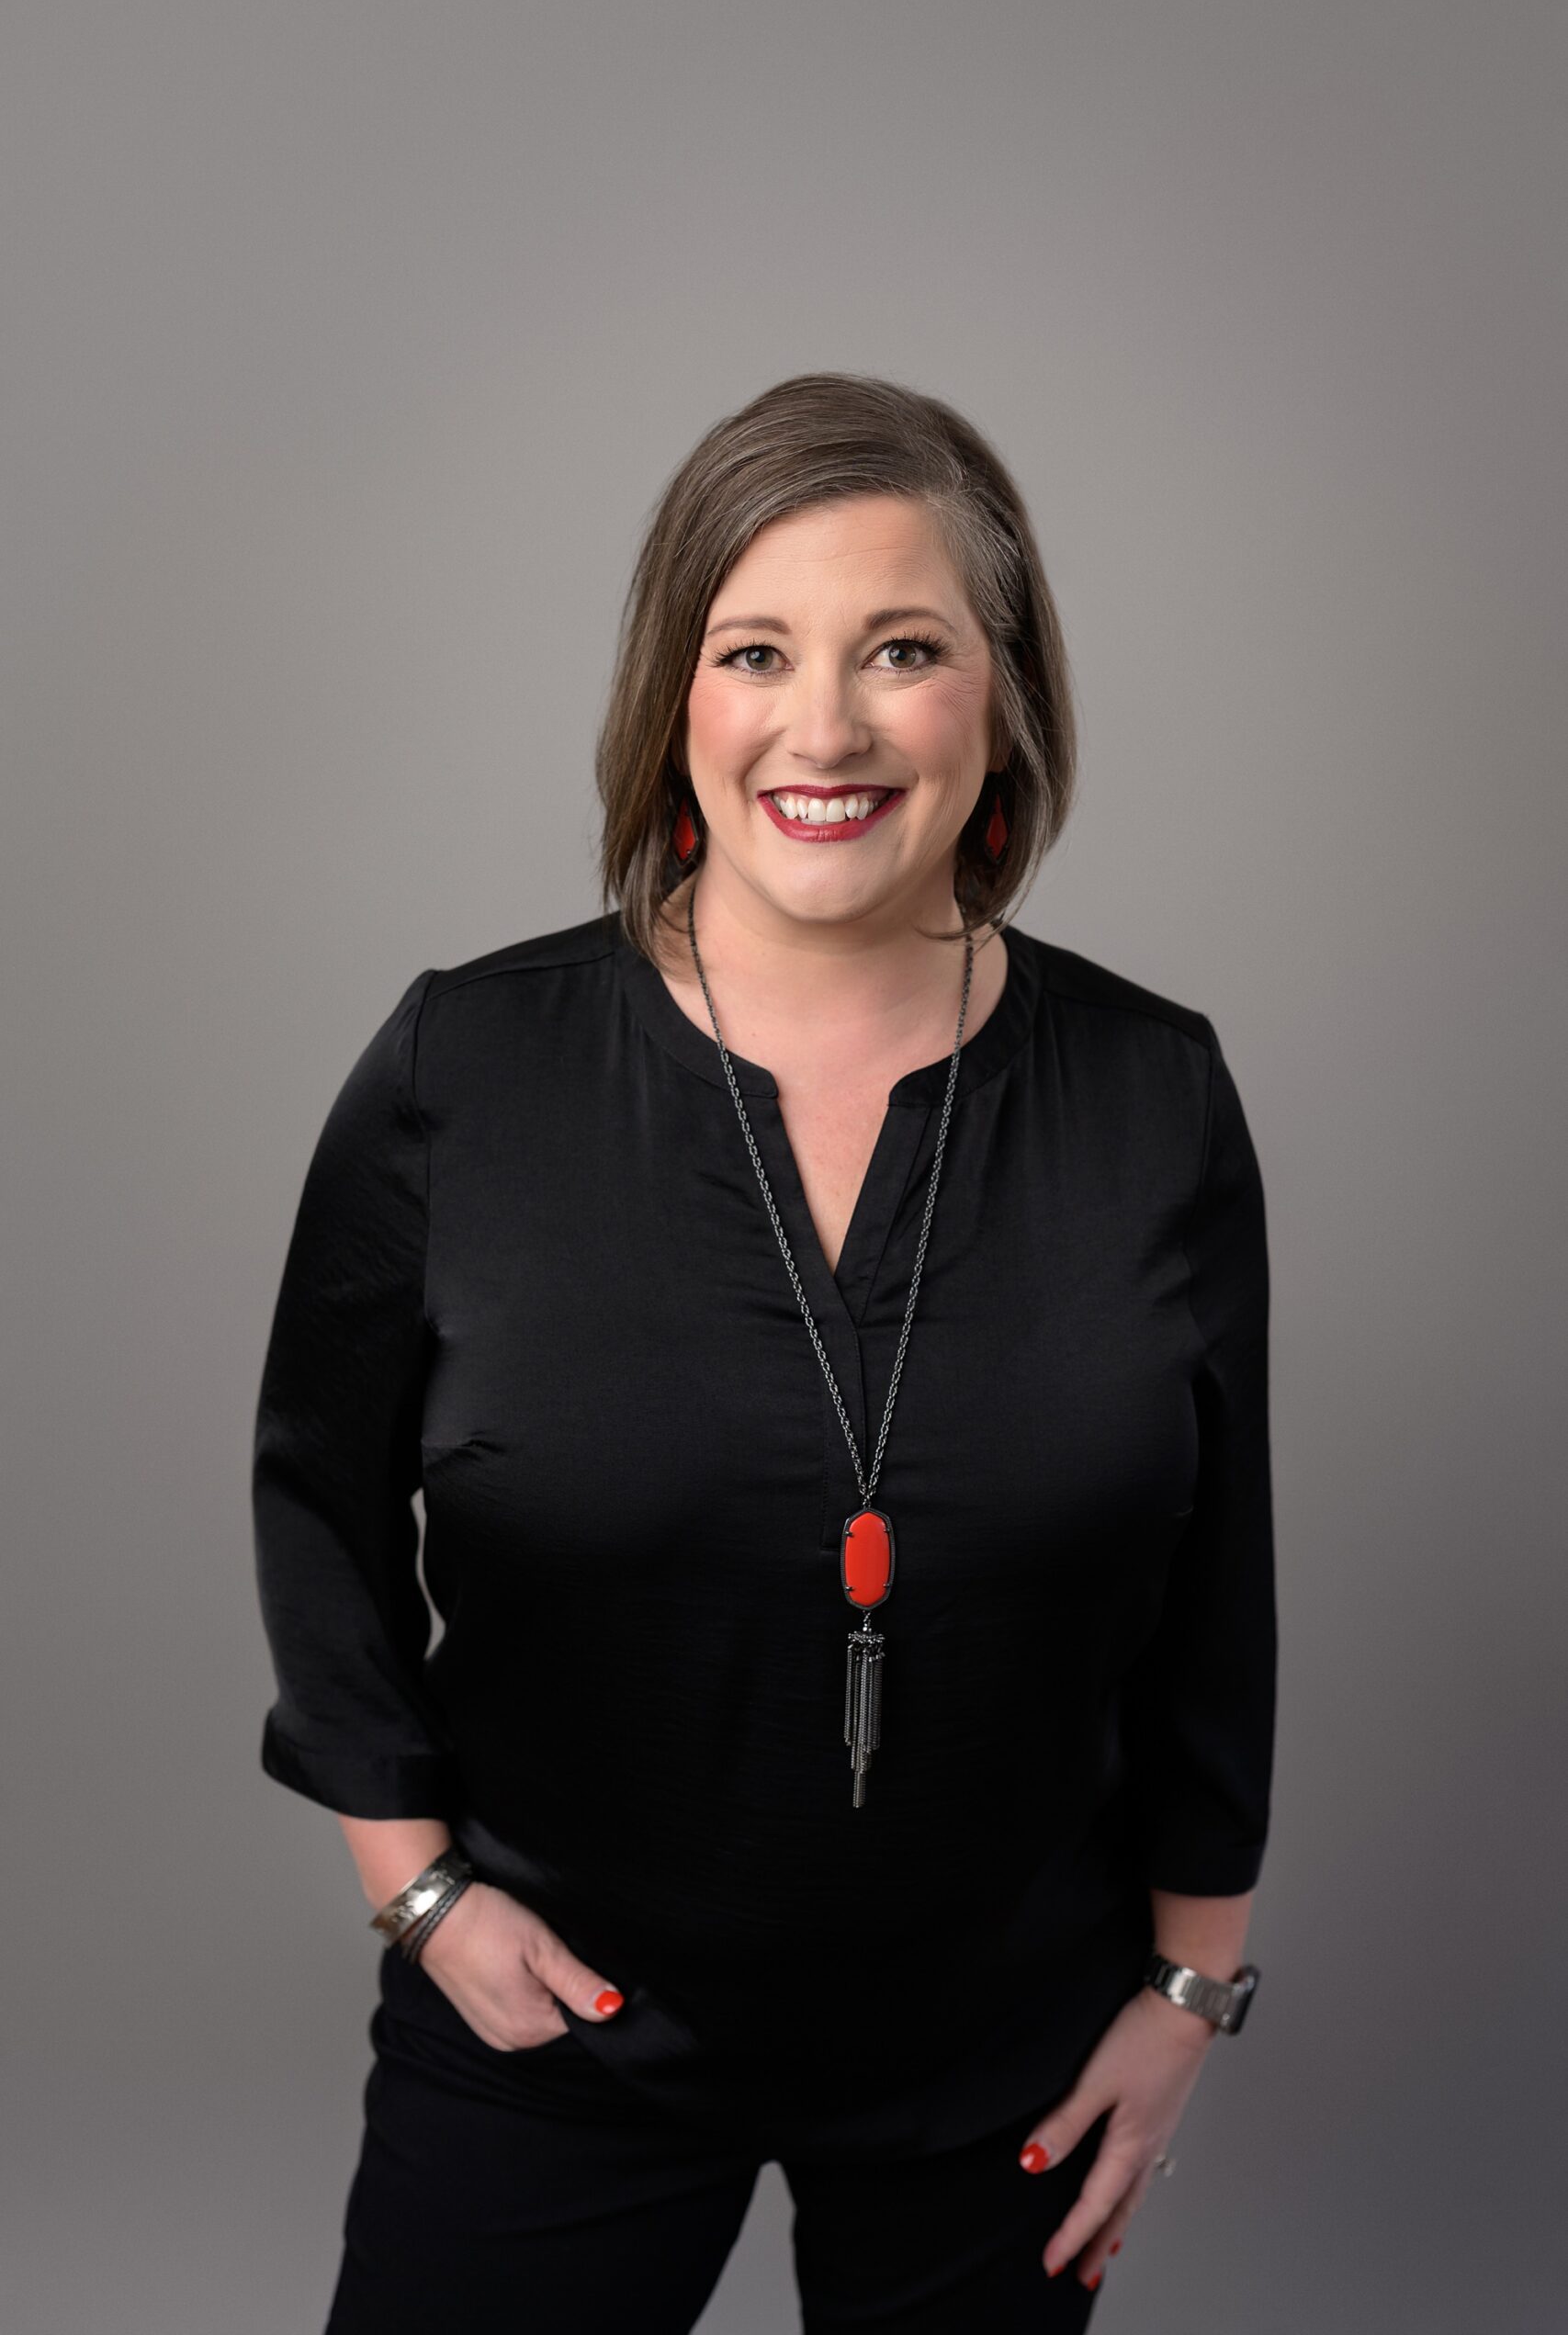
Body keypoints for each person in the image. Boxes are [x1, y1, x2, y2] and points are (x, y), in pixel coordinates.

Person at [251, 370, 1277, 2334]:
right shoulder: (463, 1068)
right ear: (677, 700)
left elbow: (1212, 1583)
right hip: (556, 2022)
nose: (823, 725)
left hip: (1008, 2061)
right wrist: (419, 1892)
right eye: (755, 650)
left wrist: (1183, 1991)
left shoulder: (1153, 1094)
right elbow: (314, 1494)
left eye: (902, 648)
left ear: (1000, 705)